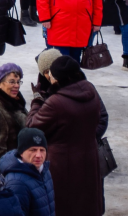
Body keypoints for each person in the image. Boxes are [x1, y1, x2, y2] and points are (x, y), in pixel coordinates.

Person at [25, 57, 105, 216]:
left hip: (62, 164)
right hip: (89, 158)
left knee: (65, 206)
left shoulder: (56, 102)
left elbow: (31, 128)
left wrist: (36, 101)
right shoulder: (90, 90)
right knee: (85, 205)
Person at [0, 128, 55, 216]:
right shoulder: (16, 183)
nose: (38, 155)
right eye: (33, 150)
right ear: (21, 152)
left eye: (42, 150)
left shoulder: (45, 171)